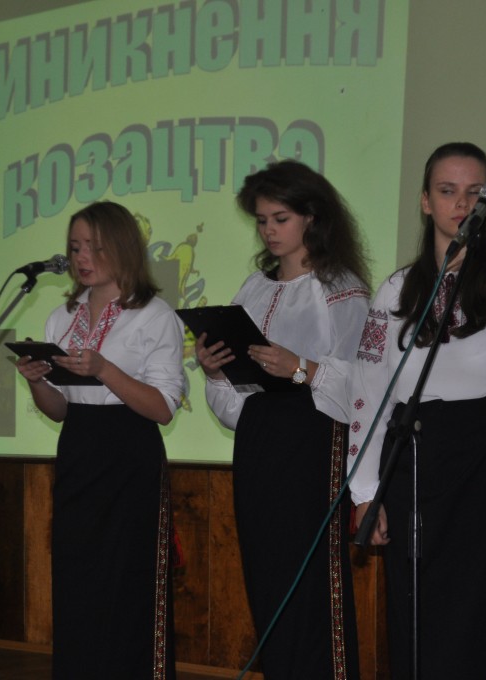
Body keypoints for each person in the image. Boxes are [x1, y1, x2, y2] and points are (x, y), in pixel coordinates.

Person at [348, 142, 486, 679]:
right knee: (419, 615)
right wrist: (366, 492)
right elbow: (368, 394)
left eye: (474, 193)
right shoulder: (395, 291)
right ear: (425, 201)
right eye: (447, 191)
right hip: (415, 465)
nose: (461, 204)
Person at [196, 160, 369, 679]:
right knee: (267, 576)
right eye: (261, 221)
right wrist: (217, 371)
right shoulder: (254, 287)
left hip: (311, 443)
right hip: (259, 442)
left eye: (280, 219)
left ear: (311, 217)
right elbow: (236, 403)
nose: (269, 231)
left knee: (310, 581)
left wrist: (299, 368)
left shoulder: (341, 290)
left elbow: (363, 387)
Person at [15, 201, 186, 680]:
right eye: (75, 248)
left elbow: (163, 407)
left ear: (122, 247)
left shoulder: (154, 315)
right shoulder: (61, 317)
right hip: (79, 453)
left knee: (128, 585)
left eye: (94, 246)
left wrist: (105, 369)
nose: (82, 257)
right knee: (78, 582)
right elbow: (61, 409)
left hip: (130, 459)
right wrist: (37, 381)